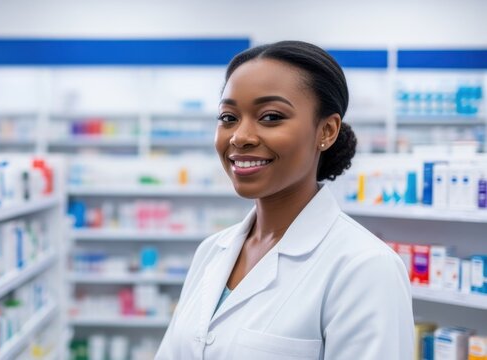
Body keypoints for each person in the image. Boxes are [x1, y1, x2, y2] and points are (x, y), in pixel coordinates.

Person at [155, 41, 414, 359]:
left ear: (327, 131)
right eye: (228, 118)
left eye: (271, 116)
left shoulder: (364, 267)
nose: (240, 136)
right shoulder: (211, 251)